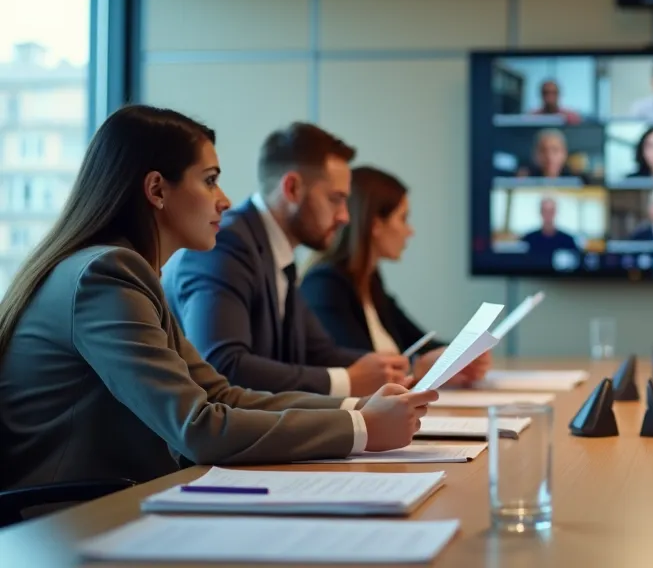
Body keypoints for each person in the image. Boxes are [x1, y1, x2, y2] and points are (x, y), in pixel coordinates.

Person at [0, 106, 435, 490]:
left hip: (112, 503)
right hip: (70, 522)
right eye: (210, 181)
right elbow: (198, 427)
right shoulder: (108, 275)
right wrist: (360, 427)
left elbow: (223, 395)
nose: (225, 200)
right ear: (156, 190)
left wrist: (362, 408)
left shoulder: (125, 272)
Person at [163, 123, 409, 396]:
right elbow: (222, 365)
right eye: (335, 199)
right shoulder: (225, 245)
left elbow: (318, 352)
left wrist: (396, 370)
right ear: (292, 188)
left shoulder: (275, 252)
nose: (344, 216)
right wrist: (346, 381)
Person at [301, 167, 491, 385]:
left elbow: (420, 341)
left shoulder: (369, 281)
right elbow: (361, 371)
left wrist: (463, 354)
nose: (410, 231)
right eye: (403, 219)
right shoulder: (325, 286)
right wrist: (418, 367)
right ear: (376, 225)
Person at [516, 128, 584, 181]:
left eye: (555, 150)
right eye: (543, 151)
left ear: (564, 153)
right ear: (535, 154)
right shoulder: (526, 178)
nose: (549, 157)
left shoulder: (579, 180)